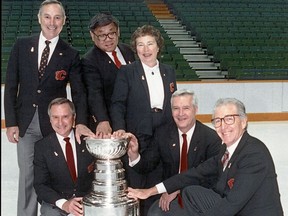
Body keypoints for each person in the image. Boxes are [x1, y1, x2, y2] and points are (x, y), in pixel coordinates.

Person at [4, 1, 95, 215]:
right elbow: (11, 86)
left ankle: (53, 208)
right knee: (27, 174)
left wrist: (80, 122)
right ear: (39, 18)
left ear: (63, 22)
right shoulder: (21, 45)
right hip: (26, 122)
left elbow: (80, 93)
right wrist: (11, 122)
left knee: (57, 171)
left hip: (56, 124)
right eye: (47, 17)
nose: (51, 22)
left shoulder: (70, 53)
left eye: (57, 18)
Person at [127, 98, 284, 216]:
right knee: (190, 191)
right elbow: (195, 173)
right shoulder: (226, 149)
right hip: (231, 206)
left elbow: (230, 207)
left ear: (243, 122)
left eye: (229, 119)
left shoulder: (254, 154)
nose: (223, 126)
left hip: (247, 212)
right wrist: (150, 191)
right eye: (217, 121)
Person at [110, 24, 177, 215]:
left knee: (157, 187)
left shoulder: (169, 71)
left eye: (150, 44)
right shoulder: (127, 71)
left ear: (158, 46)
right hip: (137, 136)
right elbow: (117, 104)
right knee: (136, 187)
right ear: (135, 48)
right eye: (140, 45)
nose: (146, 50)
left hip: (163, 135)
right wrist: (121, 129)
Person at [126, 89, 221, 215]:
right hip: (167, 197)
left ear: (195, 110)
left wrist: (178, 189)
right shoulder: (162, 134)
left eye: (186, 108)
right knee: (154, 213)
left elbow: (210, 178)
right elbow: (148, 164)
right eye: (176, 108)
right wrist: (134, 154)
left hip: (198, 197)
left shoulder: (211, 138)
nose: (180, 113)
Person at [34, 98, 95, 216]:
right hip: (57, 203)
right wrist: (64, 204)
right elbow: (40, 185)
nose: (60, 122)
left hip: (86, 201)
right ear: (50, 119)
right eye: (55, 117)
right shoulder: (42, 147)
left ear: (74, 117)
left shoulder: (88, 141)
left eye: (65, 116)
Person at [82, 13, 135, 136]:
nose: (108, 39)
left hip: (133, 118)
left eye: (112, 33)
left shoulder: (128, 51)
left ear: (118, 32)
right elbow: (94, 93)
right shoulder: (89, 60)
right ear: (92, 35)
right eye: (102, 35)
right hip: (110, 124)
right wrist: (102, 120)